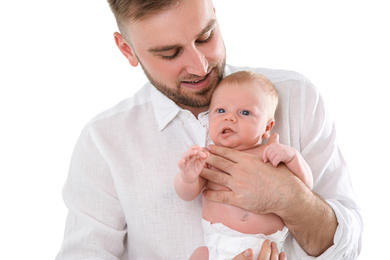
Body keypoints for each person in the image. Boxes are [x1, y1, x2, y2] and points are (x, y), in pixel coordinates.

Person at [56, 0, 362, 259]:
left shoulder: (296, 97)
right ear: (127, 50)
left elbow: (351, 245)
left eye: (205, 37)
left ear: (214, 10)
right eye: (170, 53)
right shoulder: (104, 140)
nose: (200, 66)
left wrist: (289, 198)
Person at [175, 71, 313, 259]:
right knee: (199, 255)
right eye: (221, 111)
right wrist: (187, 177)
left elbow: (305, 188)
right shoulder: (209, 157)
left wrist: (293, 158)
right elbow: (187, 194)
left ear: (266, 127)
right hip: (218, 245)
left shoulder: (271, 154)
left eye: (245, 112)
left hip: (265, 249)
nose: (229, 118)